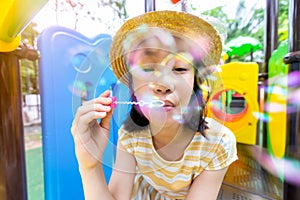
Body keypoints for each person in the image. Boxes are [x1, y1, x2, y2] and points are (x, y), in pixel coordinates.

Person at [71, 10, 238, 200]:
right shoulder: (131, 136)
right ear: (133, 87)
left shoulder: (218, 143)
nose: (163, 85)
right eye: (148, 68)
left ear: (196, 84)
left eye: (180, 68)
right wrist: (89, 166)